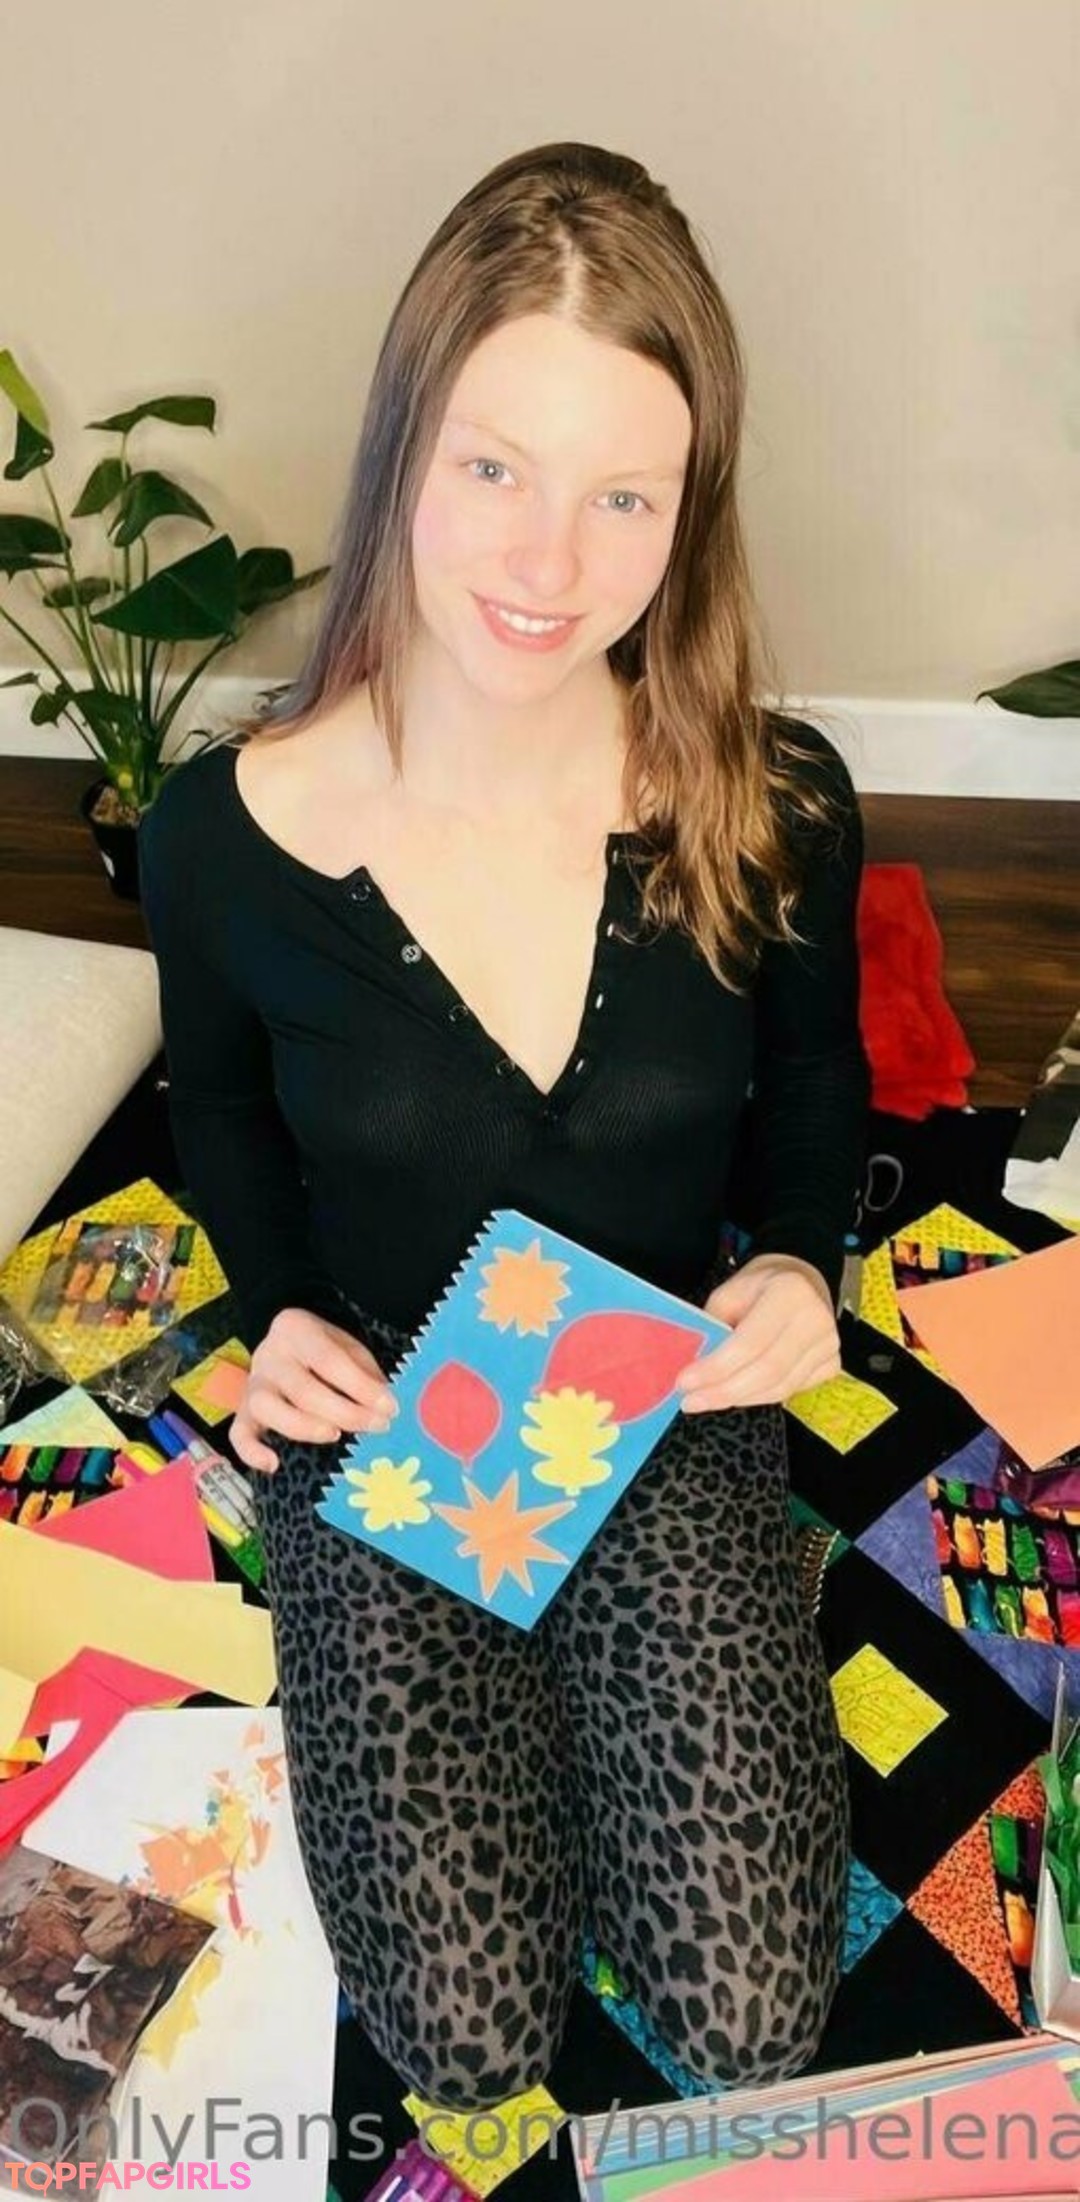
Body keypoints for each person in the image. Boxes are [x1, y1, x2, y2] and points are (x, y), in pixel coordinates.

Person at [139, 140, 868, 2112]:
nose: (550, 566)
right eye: (494, 468)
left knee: (748, 2014)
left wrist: (804, 1261)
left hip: (658, 1371)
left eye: (623, 494)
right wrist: (279, 1307)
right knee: (463, 2039)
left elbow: (816, 1083)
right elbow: (218, 1102)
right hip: (389, 1397)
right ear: (404, 450)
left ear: (688, 510)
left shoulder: (776, 801)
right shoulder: (221, 837)